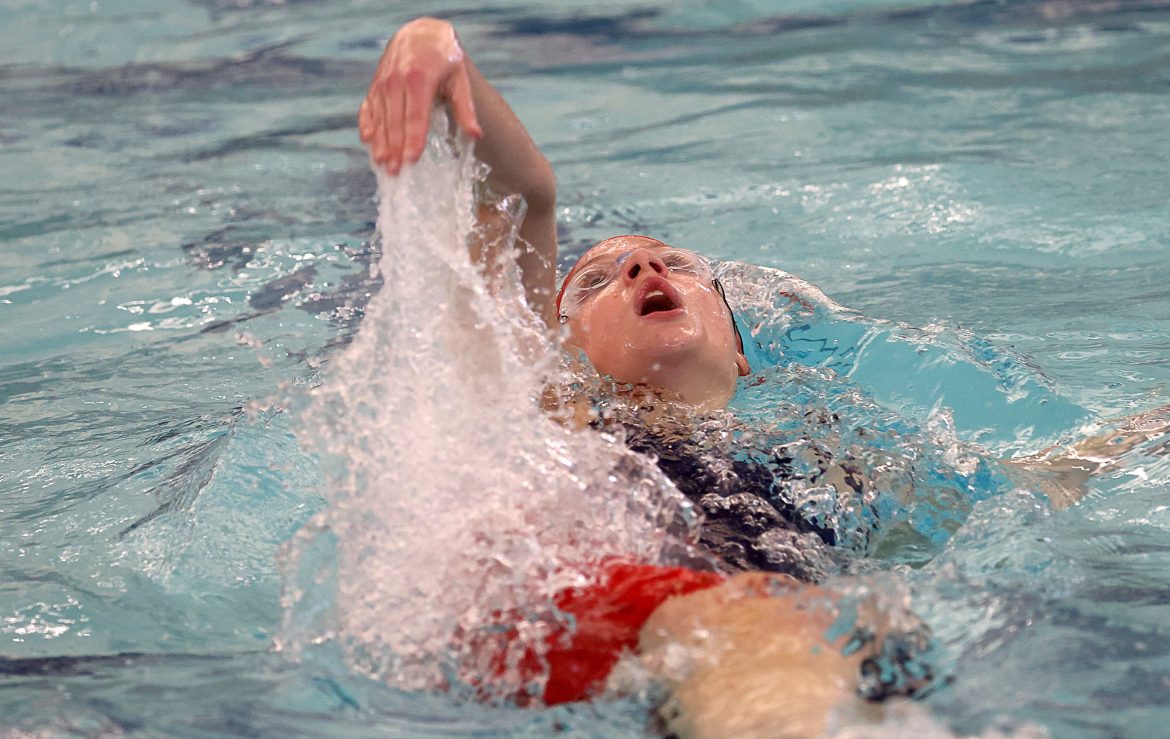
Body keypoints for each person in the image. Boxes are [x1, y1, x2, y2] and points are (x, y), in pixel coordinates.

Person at [358, 16, 1167, 738]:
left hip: (774, 633)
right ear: (564, 355)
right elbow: (525, 195)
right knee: (754, 625)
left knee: (876, 640)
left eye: (674, 262)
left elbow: (1031, 482)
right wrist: (434, 42)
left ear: (739, 348)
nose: (641, 262)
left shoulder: (826, 448)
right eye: (597, 281)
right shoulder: (560, 411)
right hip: (600, 614)